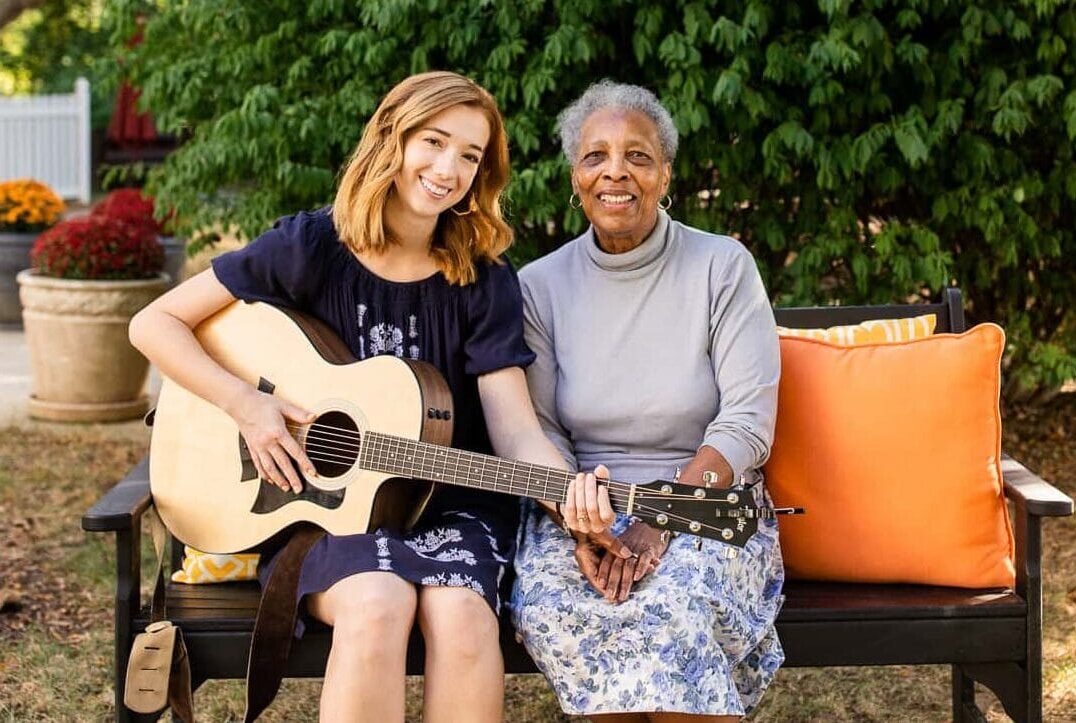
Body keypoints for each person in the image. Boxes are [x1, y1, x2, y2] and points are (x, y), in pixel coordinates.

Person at [129, 71, 612, 723]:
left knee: (463, 616)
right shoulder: (311, 247)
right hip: (328, 511)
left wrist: (569, 492)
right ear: (392, 138)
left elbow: (518, 433)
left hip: (453, 502)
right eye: (434, 142)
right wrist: (247, 403)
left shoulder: (484, 279)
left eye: (469, 156)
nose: (448, 168)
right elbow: (153, 323)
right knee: (376, 602)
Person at [510, 80, 785, 721]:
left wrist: (659, 518)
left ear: (665, 174)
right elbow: (541, 430)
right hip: (581, 511)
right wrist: (580, 522)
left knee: (677, 605)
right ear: (576, 176)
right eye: (595, 156)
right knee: (573, 607)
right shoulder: (539, 287)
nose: (616, 172)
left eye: (637, 155)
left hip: (708, 504)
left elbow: (747, 423)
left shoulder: (723, 266)